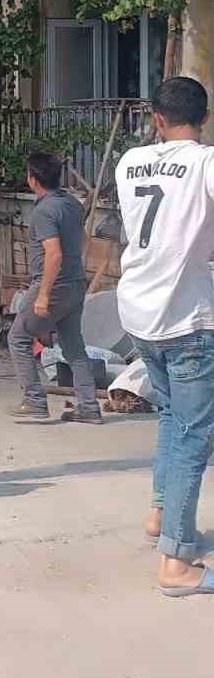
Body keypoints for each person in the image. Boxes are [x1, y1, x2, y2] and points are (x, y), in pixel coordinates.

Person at [114, 76, 214, 596]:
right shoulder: (205, 163)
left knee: (172, 417)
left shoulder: (129, 162)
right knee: (195, 434)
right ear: (204, 117)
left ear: (156, 118)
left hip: (138, 311)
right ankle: (175, 561)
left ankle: (160, 512)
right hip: (185, 319)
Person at [6, 152, 99, 423]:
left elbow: (53, 254)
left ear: (32, 179)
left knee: (18, 337)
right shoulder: (71, 203)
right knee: (73, 347)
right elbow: (84, 241)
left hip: (54, 285)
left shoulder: (43, 211)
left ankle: (34, 401)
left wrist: (44, 294)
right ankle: (89, 407)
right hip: (74, 284)